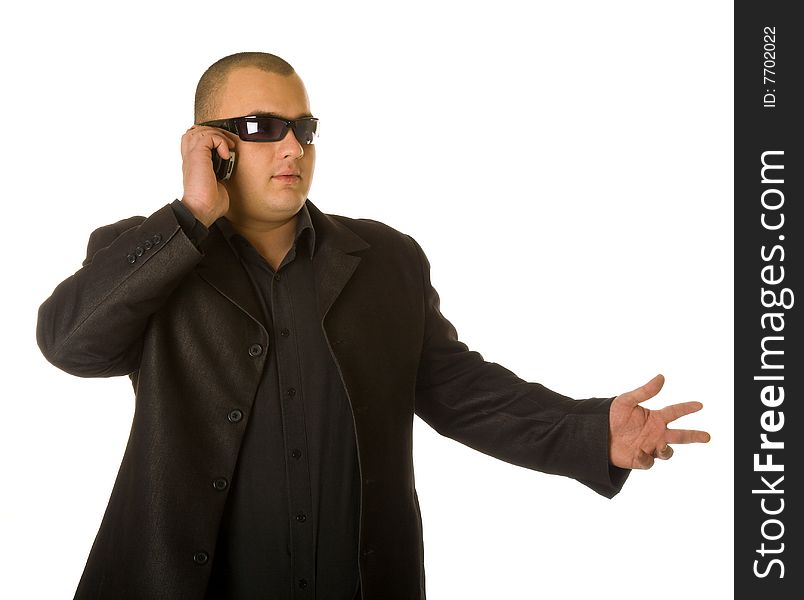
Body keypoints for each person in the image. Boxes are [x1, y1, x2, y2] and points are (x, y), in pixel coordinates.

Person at [36, 51, 711, 600]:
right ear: (211, 144)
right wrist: (189, 214)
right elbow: (70, 343)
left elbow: (460, 391)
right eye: (262, 128)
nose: (292, 146)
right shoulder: (152, 252)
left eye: (305, 127)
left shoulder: (386, 260)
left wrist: (591, 431)